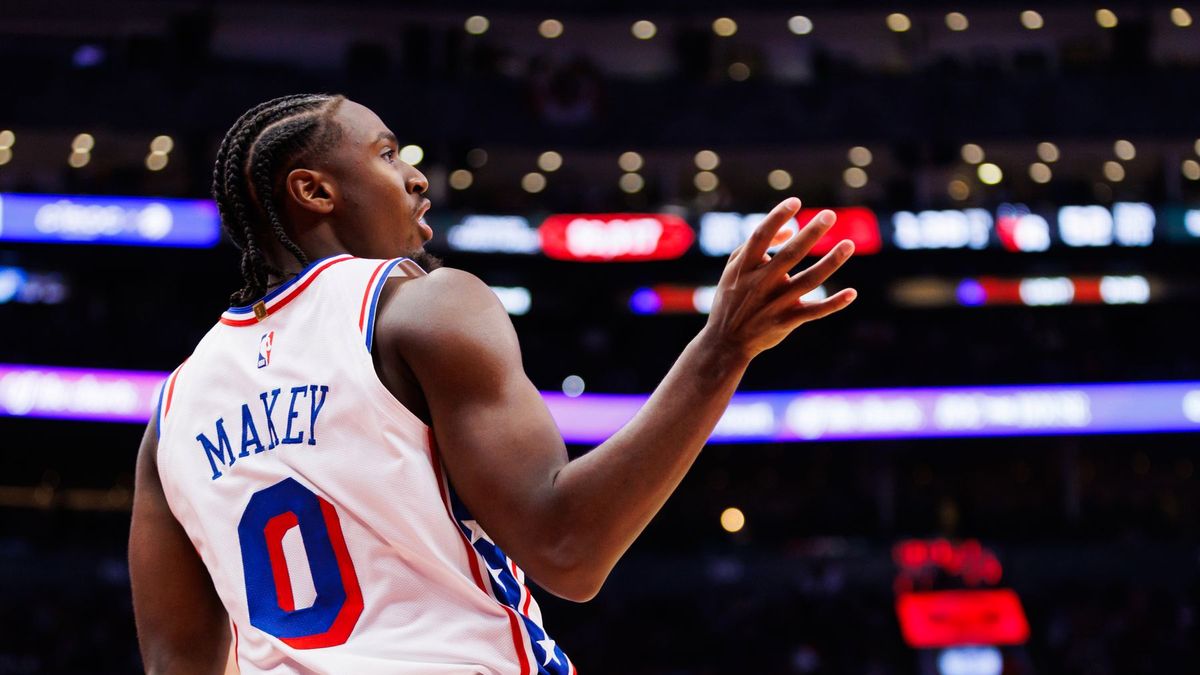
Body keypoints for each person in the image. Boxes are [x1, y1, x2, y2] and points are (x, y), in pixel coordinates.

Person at [128, 93, 858, 675]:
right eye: (387, 154)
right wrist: (721, 348)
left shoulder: (175, 407)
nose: (415, 174)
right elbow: (568, 549)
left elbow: (174, 663)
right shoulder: (421, 302)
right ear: (314, 190)